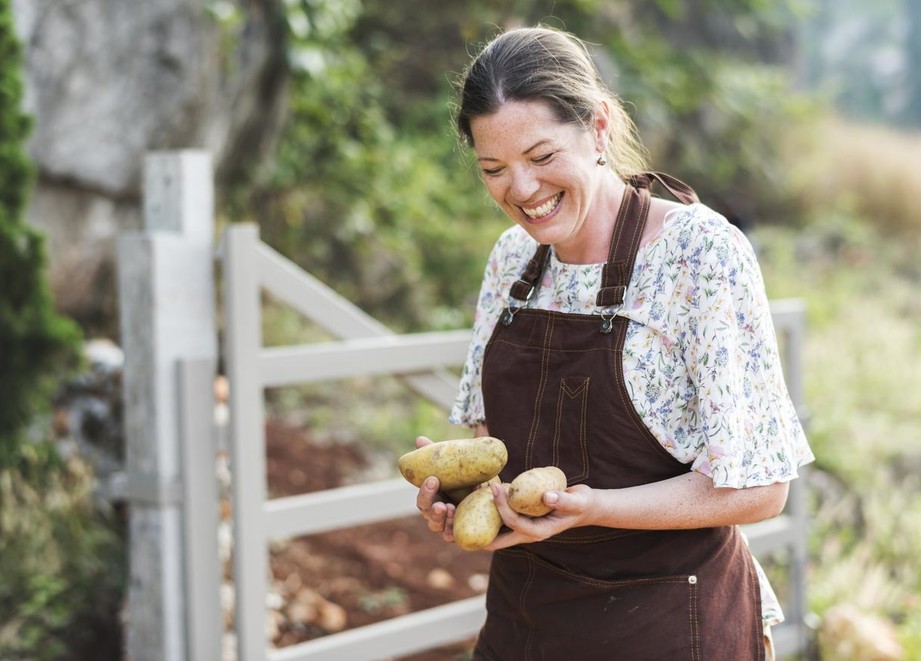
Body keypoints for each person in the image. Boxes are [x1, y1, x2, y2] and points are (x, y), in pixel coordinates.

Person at [414, 25, 814, 660]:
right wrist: (473, 501)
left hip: (668, 626)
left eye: (542, 157)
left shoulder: (699, 255)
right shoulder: (514, 261)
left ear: (599, 129)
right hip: (524, 623)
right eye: (494, 168)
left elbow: (760, 488)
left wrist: (594, 507)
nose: (521, 190)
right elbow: (500, 447)